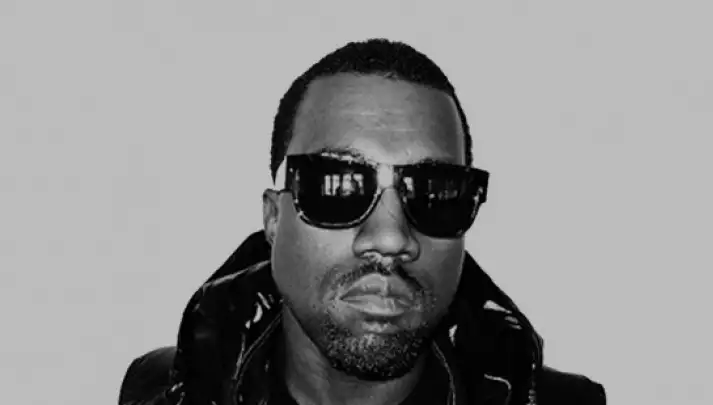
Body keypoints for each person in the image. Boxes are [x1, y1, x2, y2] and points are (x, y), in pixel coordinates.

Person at [119, 39, 606, 405]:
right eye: (338, 187)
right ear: (273, 217)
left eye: (435, 193)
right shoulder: (157, 393)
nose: (391, 237)